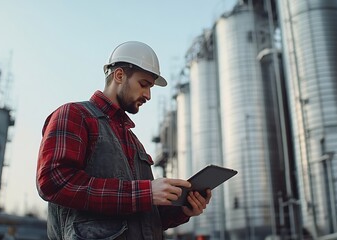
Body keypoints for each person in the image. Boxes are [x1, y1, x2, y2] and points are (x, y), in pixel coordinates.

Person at [36, 41, 211, 240]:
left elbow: (143, 217)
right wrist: (144, 193)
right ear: (119, 76)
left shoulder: (133, 141)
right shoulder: (74, 115)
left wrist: (183, 210)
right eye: (143, 84)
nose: (148, 95)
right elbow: (54, 182)